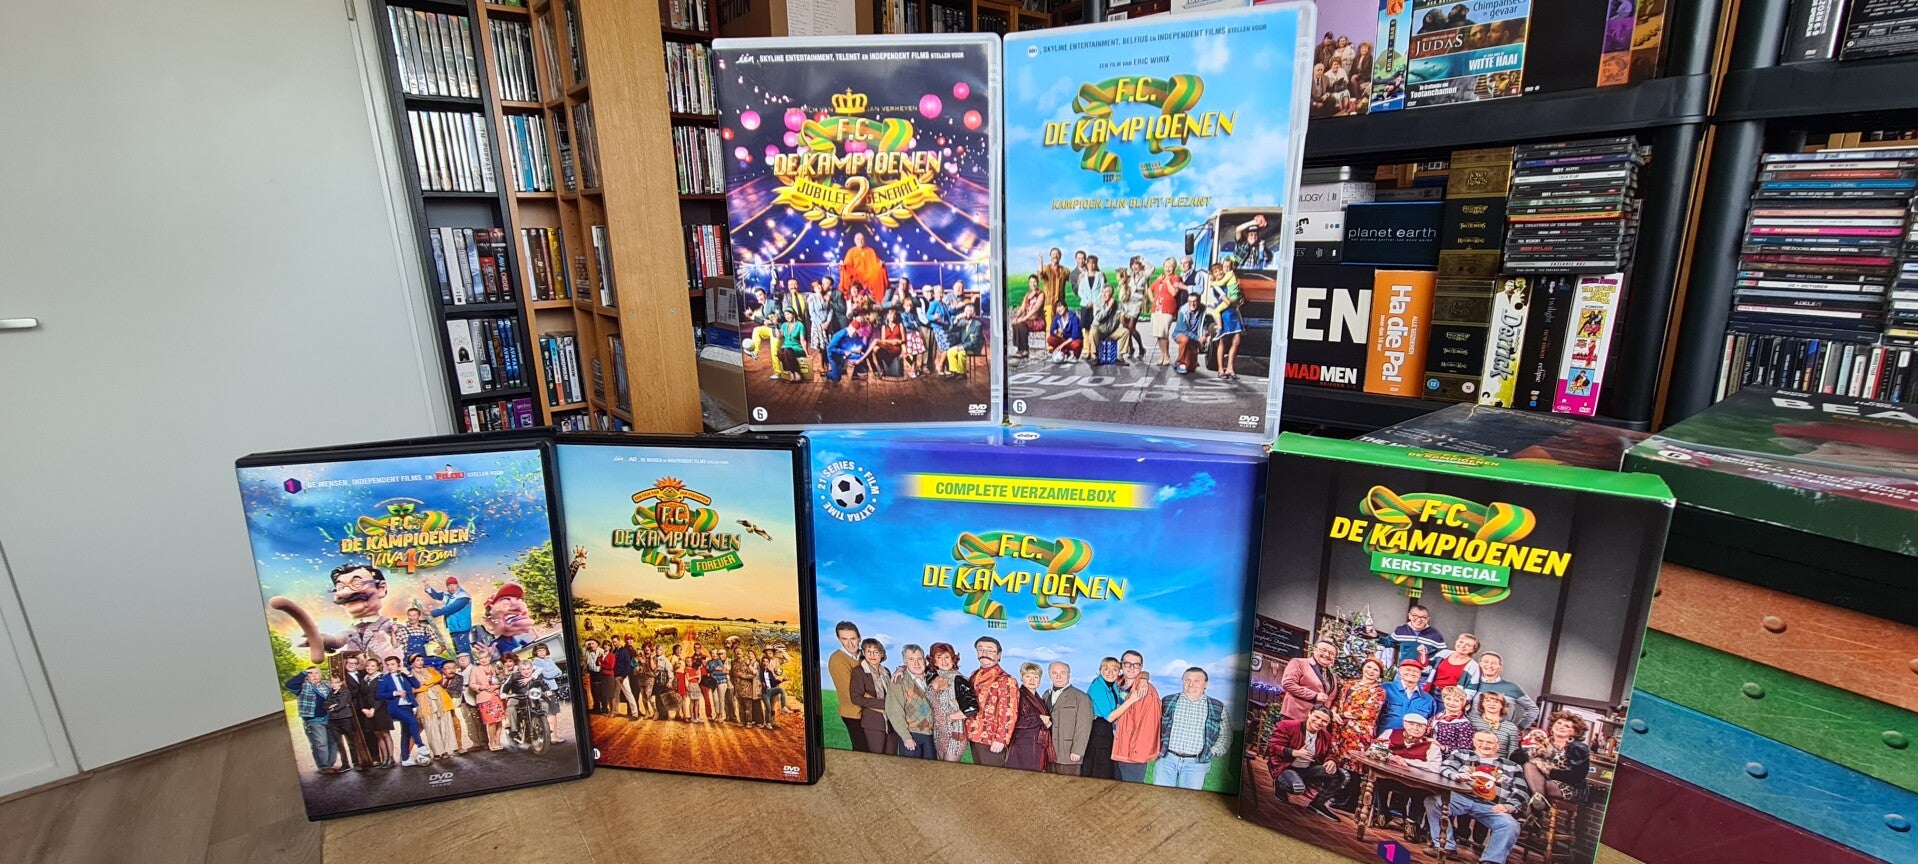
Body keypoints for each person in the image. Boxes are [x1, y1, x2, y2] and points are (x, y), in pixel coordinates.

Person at [1423, 731, 1531, 862]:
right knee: (1433, 802)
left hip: (1492, 806)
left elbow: (1521, 791)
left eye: (1489, 742)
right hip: (1460, 798)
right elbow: (1445, 768)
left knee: (1510, 825)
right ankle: (1446, 847)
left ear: (1498, 746)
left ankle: (1491, 860)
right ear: (1473, 742)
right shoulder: (1461, 754)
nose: (1484, 745)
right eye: (1480, 741)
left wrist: (1509, 806)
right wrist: (1455, 776)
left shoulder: (1512, 766)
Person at [1155, 667, 1229, 790]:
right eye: (1187, 680)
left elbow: (1226, 735)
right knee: (1160, 797)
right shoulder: (1167, 701)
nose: (1191, 684)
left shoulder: (1218, 707)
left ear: (1206, 684)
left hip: (1196, 763)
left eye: (1197, 681)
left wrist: (1213, 751)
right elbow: (1154, 726)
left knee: (1188, 799)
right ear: (1182, 681)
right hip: (1167, 759)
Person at [1372, 712, 1442, 837]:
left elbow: (1435, 767)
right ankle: (1382, 812)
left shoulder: (1432, 745)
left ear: (1426, 729)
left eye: (1420, 726)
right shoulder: (1390, 733)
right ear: (1404, 724)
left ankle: (1412, 822)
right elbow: (1374, 748)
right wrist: (1391, 757)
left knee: (1423, 791)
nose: (1415, 728)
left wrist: (1409, 762)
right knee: (1378, 780)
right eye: (1411, 724)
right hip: (1390, 778)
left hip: (1415, 783)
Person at [1266, 706, 1342, 820]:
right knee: (1297, 788)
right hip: (1286, 767)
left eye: (1324, 721)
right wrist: (1294, 752)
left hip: (1308, 770)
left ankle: (1318, 803)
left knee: (1342, 775)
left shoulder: (1325, 736)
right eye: (1316, 717)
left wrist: (1331, 760)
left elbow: (1330, 753)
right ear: (1309, 713)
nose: (1319, 722)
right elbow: (1273, 746)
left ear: (1328, 723)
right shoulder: (1288, 726)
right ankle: (1280, 784)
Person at [1515, 710, 1593, 809]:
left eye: (1566, 726)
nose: (1561, 727)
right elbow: (1515, 759)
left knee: (1534, 785)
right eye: (1559, 723)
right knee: (1529, 766)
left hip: (1570, 786)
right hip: (1538, 779)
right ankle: (1538, 804)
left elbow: (1577, 776)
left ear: (1575, 732)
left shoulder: (1579, 748)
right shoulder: (1541, 741)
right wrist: (1526, 747)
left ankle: (1535, 808)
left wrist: (1548, 770)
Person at [1109, 650, 1162, 783]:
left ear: (1141, 667)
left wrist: (1137, 753)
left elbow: (1148, 726)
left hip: (1131, 753)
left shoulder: (1147, 691)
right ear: (1121, 665)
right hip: (1114, 748)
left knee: (1132, 792)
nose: (1132, 668)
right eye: (1127, 664)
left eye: (1136, 665)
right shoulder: (1116, 685)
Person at [966, 636, 1019, 767]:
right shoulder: (973, 675)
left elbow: (1009, 712)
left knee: (993, 776)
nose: (985, 653)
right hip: (974, 735)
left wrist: (1001, 739)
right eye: (981, 649)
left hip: (992, 739)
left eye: (990, 650)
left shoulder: (1006, 679)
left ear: (999, 655)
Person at [285, 667, 343, 775]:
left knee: (333, 742)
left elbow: (340, 692)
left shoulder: (327, 685)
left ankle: (330, 764)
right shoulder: (302, 686)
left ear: (321, 674)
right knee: (320, 743)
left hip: (330, 718)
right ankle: (324, 767)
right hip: (313, 719)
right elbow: (289, 685)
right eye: (311, 673)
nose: (315, 675)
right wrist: (303, 673)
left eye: (317, 673)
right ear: (307, 676)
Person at [885, 644, 937, 759]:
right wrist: (906, 737)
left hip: (931, 735)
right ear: (905, 662)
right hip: (912, 734)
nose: (916, 663)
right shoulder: (899, 680)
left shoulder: (932, 677)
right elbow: (894, 711)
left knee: (931, 769)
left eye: (919, 659)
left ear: (924, 660)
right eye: (911, 659)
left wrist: (901, 668)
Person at [926, 642, 975, 762]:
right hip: (938, 732)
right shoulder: (931, 676)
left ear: (953, 659)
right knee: (942, 768)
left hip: (955, 732)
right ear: (934, 661)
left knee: (950, 767)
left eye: (947, 657)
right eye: (939, 657)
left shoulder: (959, 679)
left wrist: (949, 717)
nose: (944, 661)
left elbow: (972, 707)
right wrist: (900, 669)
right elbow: (914, 668)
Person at [343, 653, 393, 768]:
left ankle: (390, 758)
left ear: (378, 667)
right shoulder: (364, 679)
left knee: (385, 733)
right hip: (366, 710)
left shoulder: (381, 678)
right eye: (368, 666)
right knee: (377, 734)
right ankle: (384, 758)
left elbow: (382, 695)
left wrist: (373, 709)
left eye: (373, 666)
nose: (370, 668)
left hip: (380, 709)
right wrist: (363, 709)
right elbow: (361, 696)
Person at [1042, 661, 1092, 775]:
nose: (1058, 676)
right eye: (1054, 673)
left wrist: (1077, 750)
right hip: (1049, 753)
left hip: (1069, 754)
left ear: (1069, 675)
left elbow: (1084, 726)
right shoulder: (1046, 695)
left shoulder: (1081, 697)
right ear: (1049, 675)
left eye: (1062, 673)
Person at [376, 656, 427, 766]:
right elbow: (379, 695)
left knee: (406, 732)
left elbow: (417, 685)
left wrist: (409, 674)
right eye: (388, 665)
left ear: (398, 665)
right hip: (395, 707)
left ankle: (405, 759)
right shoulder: (384, 679)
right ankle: (420, 745)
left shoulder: (405, 675)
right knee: (413, 722)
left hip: (408, 706)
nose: (390, 667)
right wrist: (395, 693)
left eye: (392, 664)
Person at [408, 653, 459, 761]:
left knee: (444, 724)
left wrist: (425, 683)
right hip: (424, 701)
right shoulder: (410, 675)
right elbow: (413, 689)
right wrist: (425, 688)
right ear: (412, 663)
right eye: (417, 660)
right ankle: (437, 752)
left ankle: (445, 750)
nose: (420, 662)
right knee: (431, 726)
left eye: (421, 660)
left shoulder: (430, 669)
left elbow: (438, 677)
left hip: (439, 699)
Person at [849, 638, 895, 754]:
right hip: (873, 723)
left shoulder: (886, 671)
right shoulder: (859, 671)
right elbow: (856, 698)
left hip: (892, 721)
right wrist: (885, 704)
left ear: (882, 654)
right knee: (876, 758)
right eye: (868, 651)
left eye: (876, 651)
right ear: (863, 653)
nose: (872, 655)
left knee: (892, 758)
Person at [1082, 656, 1125, 779]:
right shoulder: (1097, 686)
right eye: (1106, 669)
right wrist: (1132, 700)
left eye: (1115, 669)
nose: (1110, 672)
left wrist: (1144, 678)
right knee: (1100, 771)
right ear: (1100, 670)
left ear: (1119, 672)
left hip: (1108, 732)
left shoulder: (1112, 685)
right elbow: (1110, 717)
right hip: (1099, 733)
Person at [1006, 662, 1053, 772]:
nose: (1032, 680)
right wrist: (1039, 719)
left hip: (1037, 744)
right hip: (1022, 745)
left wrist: (1047, 723)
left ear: (1040, 680)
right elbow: (1014, 721)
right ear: (1021, 678)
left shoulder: (1039, 698)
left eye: (1036, 677)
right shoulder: (1018, 696)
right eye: (1028, 676)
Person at [829, 621, 867, 752]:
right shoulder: (837, 660)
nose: (850, 643)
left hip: (869, 712)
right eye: (844, 639)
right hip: (854, 714)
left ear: (859, 638)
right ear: (839, 639)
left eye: (853, 639)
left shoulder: (864, 655)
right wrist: (882, 702)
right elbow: (850, 692)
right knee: (863, 751)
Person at [1280, 640, 1341, 722]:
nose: (1327, 655)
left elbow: (1332, 699)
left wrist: (1332, 712)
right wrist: (1314, 695)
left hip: (1318, 723)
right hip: (1296, 717)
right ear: (1314, 650)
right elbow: (1288, 683)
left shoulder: (1333, 677)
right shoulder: (1299, 663)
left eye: (1331, 653)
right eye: (1323, 650)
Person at [1369, 604, 1445, 667]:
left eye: (1423, 617)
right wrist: (1376, 636)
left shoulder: (1435, 635)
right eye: (1415, 616)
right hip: (1403, 671)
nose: (1419, 620)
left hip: (1424, 675)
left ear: (1427, 619)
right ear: (1409, 616)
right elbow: (1388, 642)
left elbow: (1443, 655)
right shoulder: (1401, 630)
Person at [1476, 653, 1540, 728]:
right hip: (1473, 731)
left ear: (1500, 668)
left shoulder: (1512, 687)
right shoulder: (1472, 684)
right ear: (1479, 664)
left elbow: (1533, 709)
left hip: (1501, 732)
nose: (1490, 665)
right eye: (1486, 662)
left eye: (1494, 663)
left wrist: (1519, 728)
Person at [1380, 658, 1439, 732]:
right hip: (1386, 737)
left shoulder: (1428, 700)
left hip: (1414, 738)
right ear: (1400, 671)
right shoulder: (1386, 688)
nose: (1412, 673)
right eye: (1408, 670)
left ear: (1420, 674)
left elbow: (1430, 725)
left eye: (1416, 671)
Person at [1210, 257, 1244, 379]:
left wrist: (1241, 299)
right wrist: (1236, 301)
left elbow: (1236, 294)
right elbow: (1228, 301)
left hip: (1234, 313)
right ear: (1213, 275)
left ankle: (1230, 368)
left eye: (1221, 270)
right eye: (1216, 272)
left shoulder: (1228, 280)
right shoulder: (1216, 286)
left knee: (1237, 341)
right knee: (1223, 341)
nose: (1219, 272)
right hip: (1225, 314)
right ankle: (1220, 369)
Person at [425, 577, 474, 657]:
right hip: (453, 627)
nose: (452, 587)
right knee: (458, 652)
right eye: (449, 585)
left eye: (454, 585)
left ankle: (470, 664)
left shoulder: (463, 597)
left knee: (464, 651)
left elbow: (451, 609)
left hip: (461, 628)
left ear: (457, 585)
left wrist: (432, 612)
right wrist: (428, 588)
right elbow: (437, 596)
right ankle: (463, 664)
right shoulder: (447, 594)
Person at [466, 652, 505, 751]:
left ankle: (498, 740)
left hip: (497, 696)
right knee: (491, 721)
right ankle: (491, 742)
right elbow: (472, 684)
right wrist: (483, 687)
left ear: (489, 658)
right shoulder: (475, 669)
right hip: (484, 698)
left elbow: (503, 680)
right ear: (478, 660)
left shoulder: (494, 667)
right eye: (481, 658)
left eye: (485, 657)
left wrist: (495, 687)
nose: (483, 660)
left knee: (499, 720)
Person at [530, 643, 567, 742]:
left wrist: (551, 672)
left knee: (554, 712)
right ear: (535, 652)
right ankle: (552, 737)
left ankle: (554, 735)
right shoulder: (536, 662)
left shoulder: (549, 659)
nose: (542, 652)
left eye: (543, 650)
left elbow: (559, 671)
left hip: (553, 688)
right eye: (539, 651)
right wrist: (552, 672)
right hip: (545, 690)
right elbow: (547, 675)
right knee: (550, 712)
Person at [1149, 258, 1183, 365]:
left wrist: (1168, 282)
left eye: (1170, 266)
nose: (1168, 269)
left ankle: (1167, 356)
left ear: (1174, 267)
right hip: (1156, 309)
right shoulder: (1161, 278)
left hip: (1167, 309)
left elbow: (1174, 293)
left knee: (1163, 333)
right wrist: (1153, 300)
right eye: (1166, 266)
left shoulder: (1176, 278)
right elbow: (1150, 289)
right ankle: (1162, 355)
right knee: (1158, 334)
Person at [450, 653, 485, 753]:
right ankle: (476, 743)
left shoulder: (475, 669)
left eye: (464, 658)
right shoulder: (457, 672)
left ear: (469, 659)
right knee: (468, 722)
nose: (462, 660)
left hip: (473, 696)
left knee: (479, 721)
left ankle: (484, 742)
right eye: (460, 659)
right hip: (462, 698)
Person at [1472, 691, 1520, 759]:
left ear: (1502, 705)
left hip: (1500, 763)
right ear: (1482, 703)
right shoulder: (1472, 721)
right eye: (1488, 701)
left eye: (1496, 702)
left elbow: (1512, 751)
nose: (1492, 704)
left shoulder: (1511, 727)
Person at [1087, 283, 1126, 365]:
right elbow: (1098, 318)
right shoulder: (1097, 303)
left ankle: (1120, 357)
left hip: (1111, 331)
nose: (1104, 294)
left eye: (1107, 292)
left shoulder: (1118, 305)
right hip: (1100, 330)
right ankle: (1095, 356)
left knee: (1125, 332)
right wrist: (1108, 308)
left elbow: (1122, 318)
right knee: (1093, 331)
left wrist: (1123, 318)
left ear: (1112, 294)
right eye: (1103, 292)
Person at [1431, 685, 1476, 755]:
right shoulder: (1437, 716)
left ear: (1463, 703)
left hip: (1449, 758)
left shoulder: (1464, 725)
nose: (1451, 703)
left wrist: (1443, 747)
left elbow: (1465, 750)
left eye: (1456, 701)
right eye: (1448, 699)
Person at [1120, 256, 1149, 360]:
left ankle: (1141, 348)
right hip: (1127, 302)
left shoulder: (1144, 275)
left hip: (1137, 303)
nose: (1134, 267)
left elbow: (1152, 268)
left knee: (1131, 327)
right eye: (1133, 264)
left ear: (1141, 265)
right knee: (1125, 327)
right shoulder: (1129, 275)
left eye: (1137, 264)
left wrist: (1143, 260)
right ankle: (1131, 348)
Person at [1170, 291, 1205, 374]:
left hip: (1193, 337)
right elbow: (1184, 331)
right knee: (1185, 339)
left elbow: (1205, 321)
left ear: (1199, 301)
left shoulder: (1203, 309)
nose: (1192, 304)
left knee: (1191, 367)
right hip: (1180, 334)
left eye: (1194, 301)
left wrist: (1205, 332)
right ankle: (1180, 363)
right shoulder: (1182, 311)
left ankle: (1182, 363)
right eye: (1190, 301)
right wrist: (1198, 338)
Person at [1008, 280, 1045, 359]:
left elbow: (1035, 308)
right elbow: (1022, 308)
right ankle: (1019, 349)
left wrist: (1024, 318)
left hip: (1037, 320)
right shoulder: (1027, 295)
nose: (1033, 284)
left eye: (1034, 282)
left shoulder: (1041, 294)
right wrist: (1017, 317)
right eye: (1031, 282)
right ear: (1029, 284)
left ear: (1037, 283)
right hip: (1027, 319)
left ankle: (1025, 350)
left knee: (1022, 324)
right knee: (1015, 324)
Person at [730, 643, 761, 727]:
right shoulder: (733, 662)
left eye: (740, 651)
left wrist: (742, 676)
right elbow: (731, 675)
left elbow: (753, 675)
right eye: (736, 651)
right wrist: (735, 684)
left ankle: (749, 722)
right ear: (734, 653)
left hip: (747, 688)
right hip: (737, 688)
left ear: (743, 652)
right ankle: (742, 721)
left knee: (748, 707)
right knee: (740, 706)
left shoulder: (747, 662)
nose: (738, 652)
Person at [612, 636, 640, 719]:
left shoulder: (625, 651)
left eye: (615, 642)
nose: (614, 643)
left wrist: (624, 676)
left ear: (619, 641)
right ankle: (616, 711)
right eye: (613, 642)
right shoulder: (615, 651)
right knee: (616, 694)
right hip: (615, 675)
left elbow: (628, 664)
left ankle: (635, 714)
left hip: (623, 676)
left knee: (628, 694)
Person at [776, 309, 807, 382]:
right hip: (786, 347)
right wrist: (776, 325)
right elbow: (779, 337)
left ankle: (796, 372)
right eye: (785, 315)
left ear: (793, 314)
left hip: (797, 348)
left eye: (788, 314)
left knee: (787, 351)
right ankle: (791, 372)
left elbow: (803, 340)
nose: (787, 316)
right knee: (779, 351)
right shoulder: (784, 325)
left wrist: (806, 353)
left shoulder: (800, 325)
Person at [758, 652, 787, 730]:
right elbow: (757, 680)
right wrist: (761, 683)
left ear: (768, 663)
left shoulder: (770, 672)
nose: (765, 663)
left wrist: (782, 680)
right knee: (768, 707)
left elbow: (774, 682)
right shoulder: (759, 671)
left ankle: (783, 707)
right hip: (765, 692)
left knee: (781, 689)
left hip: (771, 690)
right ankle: (767, 723)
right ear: (761, 663)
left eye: (767, 662)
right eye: (764, 661)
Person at [703, 648, 732, 724]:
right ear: (710, 654)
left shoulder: (719, 661)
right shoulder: (709, 662)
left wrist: (713, 671)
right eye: (712, 653)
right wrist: (715, 668)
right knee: (715, 699)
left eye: (715, 653)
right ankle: (717, 713)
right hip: (713, 682)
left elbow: (723, 672)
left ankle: (720, 715)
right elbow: (708, 670)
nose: (714, 655)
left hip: (722, 681)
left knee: (721, 699)